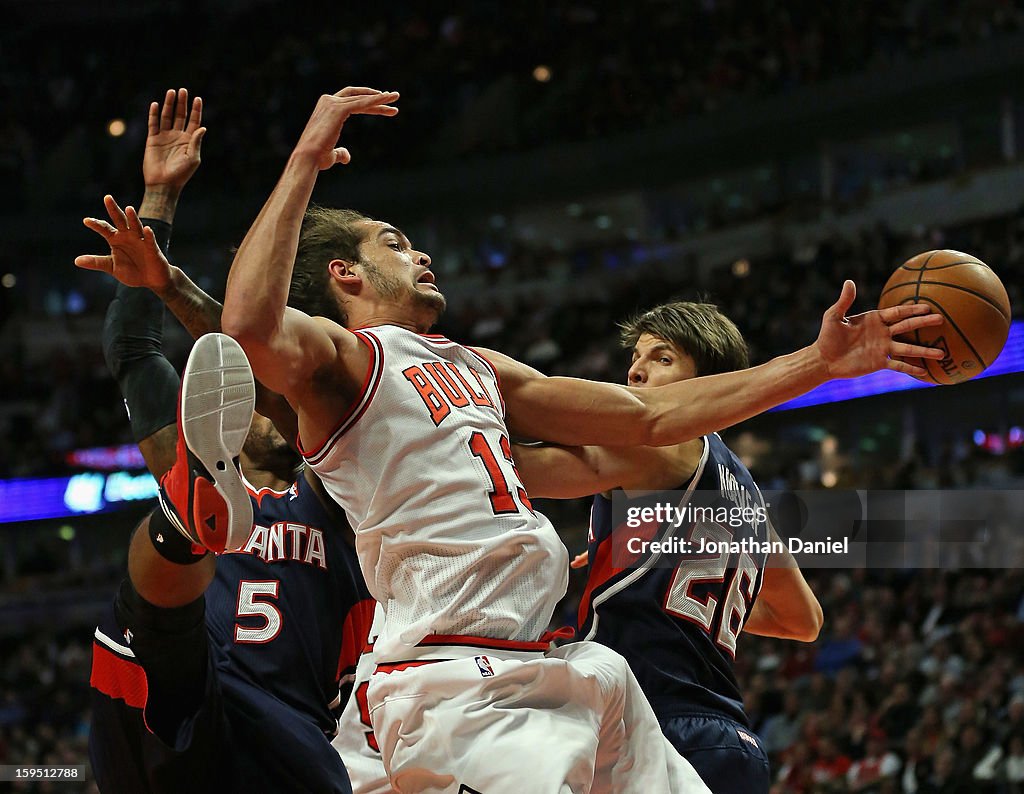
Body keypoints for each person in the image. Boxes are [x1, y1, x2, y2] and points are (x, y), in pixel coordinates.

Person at [215, 87, 942, 793]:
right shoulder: (344, 359)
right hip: (452, 672)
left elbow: (648, 418)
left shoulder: (480, 366)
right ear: (344, 273)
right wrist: (305, 160)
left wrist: (821, 362)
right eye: (395, 245)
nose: (421, 256)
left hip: (561, 669)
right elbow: (248, 326)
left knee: (609, 679)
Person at [81, 89, 372, 793]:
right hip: (190, 692)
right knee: (145, 626)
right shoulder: (176, 450)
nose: (268, 408)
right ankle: (195, 514)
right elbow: (131, 347)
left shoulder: (333, 483)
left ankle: (193, 520)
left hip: (292, 721)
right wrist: (158, 196)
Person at [510, 301, 825, 794]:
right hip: (729, 739)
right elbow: (802, 620)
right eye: (636, 356)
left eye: (662, 358)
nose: (636, 369)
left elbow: (519, 468)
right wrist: (667, 570)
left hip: (651, 729)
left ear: (710, 381)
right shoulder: (747, 499)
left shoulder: (660, 447)